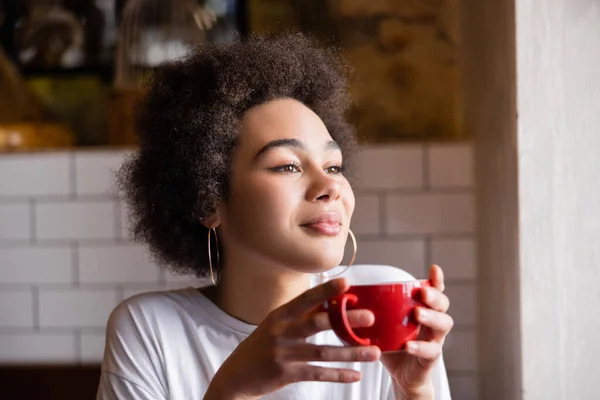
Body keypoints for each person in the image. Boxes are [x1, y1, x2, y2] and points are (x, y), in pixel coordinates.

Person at [97, 33, 454, 400]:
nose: (328, 187)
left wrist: (416, 390)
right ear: (207, 200)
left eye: (334, 166)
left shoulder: (380, 303)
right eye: (286, 166)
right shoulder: (150, 330)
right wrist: (232, 389)